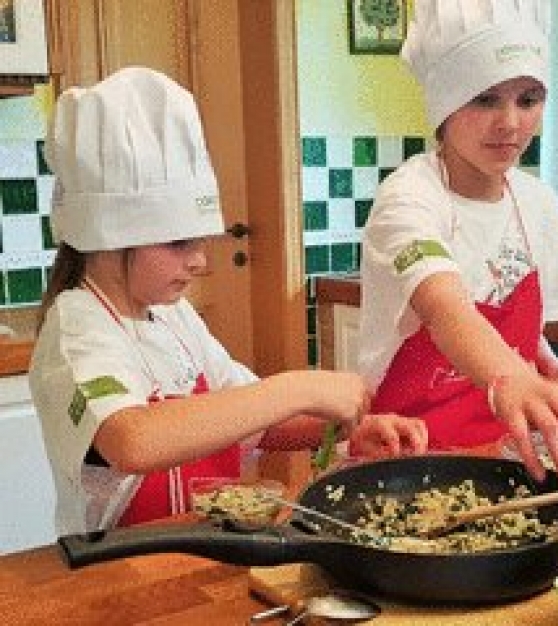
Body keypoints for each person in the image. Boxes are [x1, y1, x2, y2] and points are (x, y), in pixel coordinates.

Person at [29, 67, 428, 536]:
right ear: (109, 237)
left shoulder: (173, 316)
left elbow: (251, 420)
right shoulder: (77, 328)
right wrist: (301, 386)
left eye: (201, 242)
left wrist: (341, 428)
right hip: (121, 570)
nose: (200, 262)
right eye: (179, 243)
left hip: (196, 550)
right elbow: (132, 440)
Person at [357, 0, 558, 489]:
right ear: (444, 102)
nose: (510, 122)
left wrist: (553, 373)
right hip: (407, 463)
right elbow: (445, 309)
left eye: (528, 99)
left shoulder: (538, 204)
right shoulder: (407, 197)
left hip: (504, 459)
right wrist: (513, 380)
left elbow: (524, 337)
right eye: (485, 99)